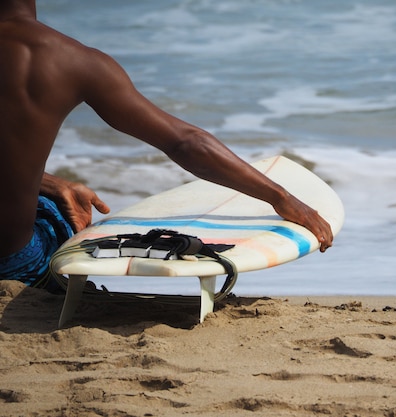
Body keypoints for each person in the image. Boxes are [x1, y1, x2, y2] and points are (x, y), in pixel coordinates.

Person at [0, 0, 333, 289]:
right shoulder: (68, 60)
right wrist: (282, 198)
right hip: (12, 263)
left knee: (57, 200)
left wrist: (50, 183)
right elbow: (185, 143)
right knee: (62, 221)